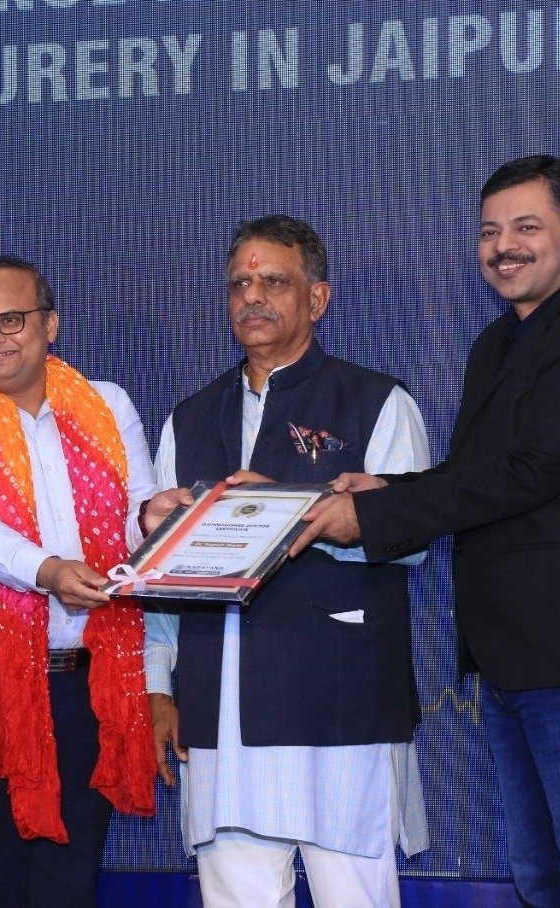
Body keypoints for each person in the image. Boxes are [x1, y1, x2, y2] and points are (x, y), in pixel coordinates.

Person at [293, 155, 560, 908]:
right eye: (490, 232)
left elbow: (531, 472)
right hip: (511, 655)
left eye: (526, 228)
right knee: (543, 875)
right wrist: (387, 489)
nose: (504, 247)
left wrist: (374, 516)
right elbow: (474, 472)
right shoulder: (497, 343)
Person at [145, 215, 431, 908]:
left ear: (318, 298)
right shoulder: (189, 419)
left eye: (274, 281)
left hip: (338, 705)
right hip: (219, 710)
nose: (252, 296)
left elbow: (416, 539)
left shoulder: (377, 403)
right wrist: (159, 689)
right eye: (239, 284)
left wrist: (292, 512)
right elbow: (164, 581)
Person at [0, 255, 174, 907]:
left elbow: (134, 519)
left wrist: (156, 519)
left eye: (11, 320)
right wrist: (47, 572)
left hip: (88, 682)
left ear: (50, 324)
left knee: (70, 881)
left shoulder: (106, 405)